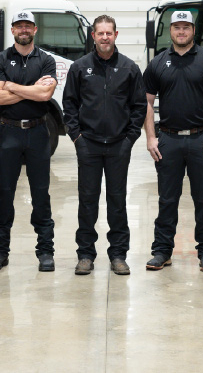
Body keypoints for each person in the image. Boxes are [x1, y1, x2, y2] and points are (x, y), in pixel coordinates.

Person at [143, 10, 203, 272]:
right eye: (177, 27)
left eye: (186, 27)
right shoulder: (158, 63)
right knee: (167, 200)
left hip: (201, 139)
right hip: (167, 139)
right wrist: (150, 137)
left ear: (194, 30)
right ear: (171, 31)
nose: (181, 32)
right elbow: (146, 102)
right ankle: (162, 251)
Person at [62, 15, 146, 276]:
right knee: (87, 201)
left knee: (117, 201)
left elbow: (139, 107)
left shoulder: (129, 68)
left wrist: (130, 138)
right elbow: (69, 105)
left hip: (119, 146)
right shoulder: (80, 67)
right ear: (93, 36)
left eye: (109, 33)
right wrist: (77, 138)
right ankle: (85, 254)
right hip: (89, 145)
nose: (105, 37)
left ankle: (118, 254)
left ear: (116, 35)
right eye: (101, 33)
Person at [0, 11, 58, 272]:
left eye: (28, 26)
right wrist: (30, 91)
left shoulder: (46, 60)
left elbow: (45, 94)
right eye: (19, 26)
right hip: (9, 133)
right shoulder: (0, 59)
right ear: (13, 30)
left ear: (35, 30)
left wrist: (11, 86)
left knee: (41, 194)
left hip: (38, 134)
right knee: (5, 193)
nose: (23, 30)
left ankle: (45, 252)